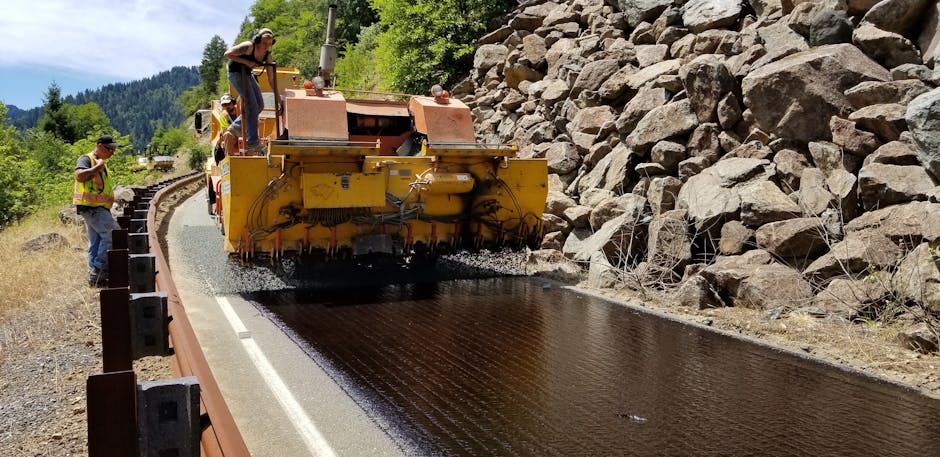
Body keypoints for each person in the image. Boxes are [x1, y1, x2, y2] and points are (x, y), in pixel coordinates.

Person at [74, 134, 121, 287]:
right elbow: (79, 176)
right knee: (113, 236)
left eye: (113, 150)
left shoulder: (101, 163)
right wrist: (97, 168)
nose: (112, 153)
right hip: (92, 207)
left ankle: (94, 278)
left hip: (96, 207)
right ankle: (98, 269)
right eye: (110, 149)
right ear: (100, 146)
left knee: (96, 242)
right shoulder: (87, 159)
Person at [224, 27, 281, 152]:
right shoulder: (248, 46)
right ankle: (252, 142)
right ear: (258, 39)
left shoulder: (267, 56)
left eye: (269, 44)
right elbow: (227, 54)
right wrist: (246, 61)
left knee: (259, 105)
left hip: (247, 74)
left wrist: (279, 99)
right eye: (264, 42)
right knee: (252, 105)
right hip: (236, 73)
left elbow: (272, 79)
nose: (266, 46)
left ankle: (236, 126)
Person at [214, 93, 241, 163]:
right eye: (224, 105)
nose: (227, 106)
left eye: (228, 104)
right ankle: (229, 159)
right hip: (234, 136)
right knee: (227, 134)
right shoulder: (223, 116)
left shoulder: (241, 110)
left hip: (244, 134)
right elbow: (226, 129)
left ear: (233, 102)